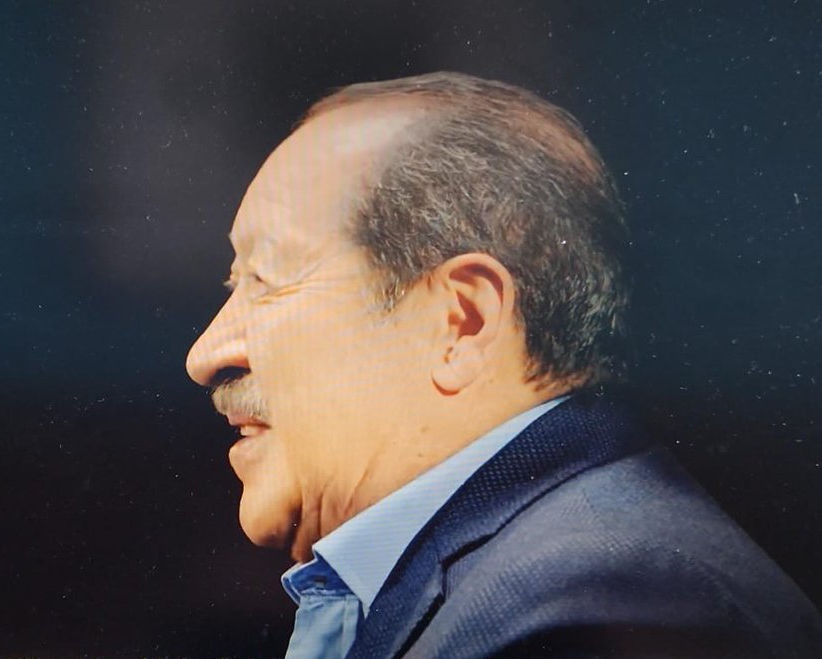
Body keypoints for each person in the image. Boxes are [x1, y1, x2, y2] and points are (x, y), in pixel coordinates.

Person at [184, 72, 822, 658]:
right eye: (234, 284)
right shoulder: (570, 576)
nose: (205, 355)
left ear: (461, 322)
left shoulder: (591, 609)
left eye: (265, 281)